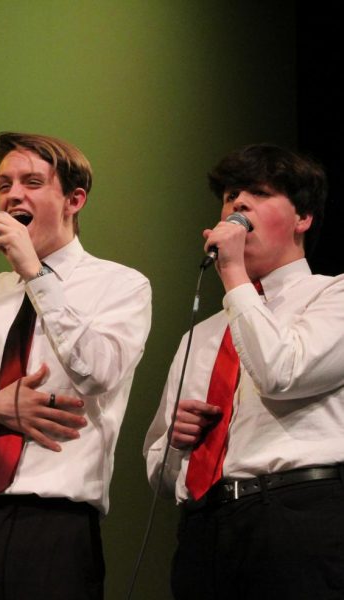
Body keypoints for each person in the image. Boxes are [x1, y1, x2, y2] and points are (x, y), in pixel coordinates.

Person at [0, 131, 152, 599]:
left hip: (56, 527)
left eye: (32, 182)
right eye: (4, 184)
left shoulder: (121, 286)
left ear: (74, 200)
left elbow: (98, 372)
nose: (14, 194)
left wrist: (36, 275)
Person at [143, 143, 344, 599]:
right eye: (231, 194)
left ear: (303, 217)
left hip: (298, 519)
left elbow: (282, 373)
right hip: (205, 530)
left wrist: (232, 274)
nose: (239, 204)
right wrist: (175, 444)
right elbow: (161, 473)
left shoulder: (333, 296)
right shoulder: (202, 334)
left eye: (258, 192)